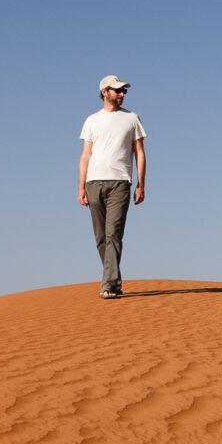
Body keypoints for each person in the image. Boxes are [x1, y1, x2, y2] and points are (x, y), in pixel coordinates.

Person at [78, 75, 146, 298]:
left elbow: (139, 152)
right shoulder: (92, 120)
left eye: (123, 91)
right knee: (100, 237)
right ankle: (112, 279)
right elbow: (85, 155)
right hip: (93, 182)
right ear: (104, 91)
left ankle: (108, 284)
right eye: (117, 90)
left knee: (113, 234)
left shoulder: (132, 119)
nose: (121, 94)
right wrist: (80, 187)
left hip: (120, 182)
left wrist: (140, 184)